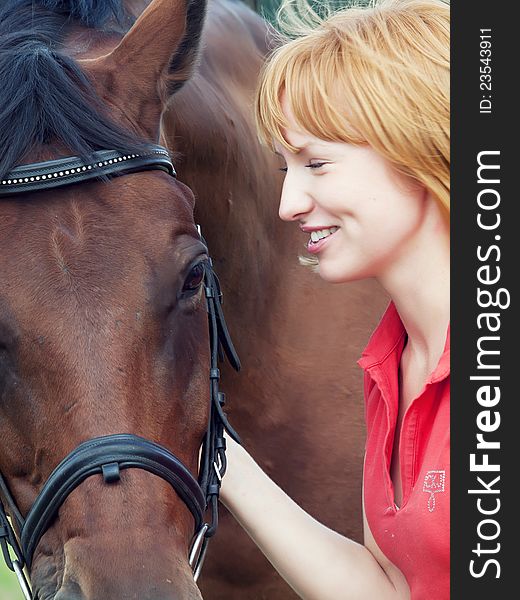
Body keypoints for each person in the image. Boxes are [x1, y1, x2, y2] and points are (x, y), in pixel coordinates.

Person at [219, 0, 450, 598]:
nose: (288, 204)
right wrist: (222, 460)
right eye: (285, 169)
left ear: (419, 152)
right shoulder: (391, 363)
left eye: (317, 164)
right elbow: (392, 589)